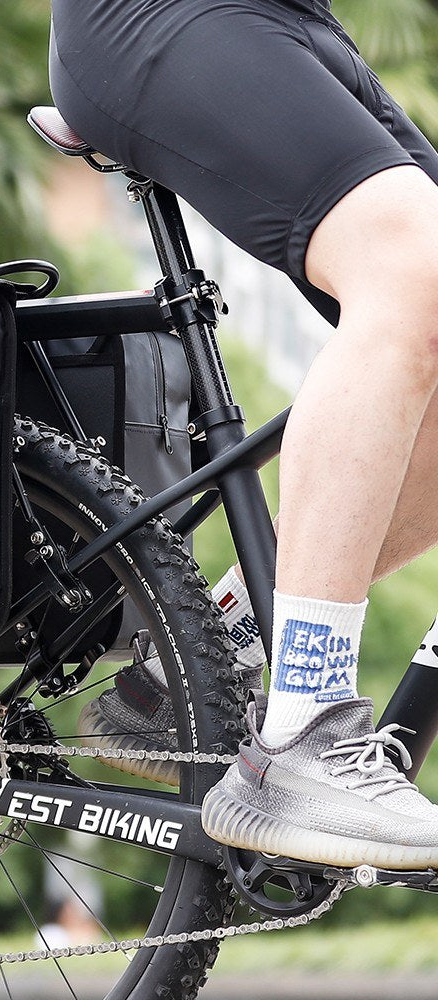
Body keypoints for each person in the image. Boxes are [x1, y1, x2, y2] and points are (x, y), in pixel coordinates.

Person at [53, 0, 438, 868]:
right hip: (166, 17)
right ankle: (301, 736)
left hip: (301, 26)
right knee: (416, 271)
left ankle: (213, 645)